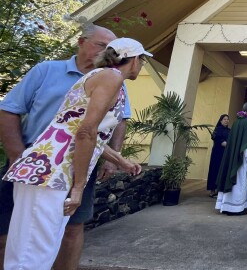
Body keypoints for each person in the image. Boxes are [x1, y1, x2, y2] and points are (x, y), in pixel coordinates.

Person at [2, 38, 146, 270]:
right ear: (135, 59)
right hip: (51, 172)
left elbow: (79, 130)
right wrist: (78, 188)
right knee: (31, 255)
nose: (142, 67)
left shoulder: (101, 76)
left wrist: (121, 160)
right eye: (143, 61)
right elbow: (85, 132)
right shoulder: (111, 78)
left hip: (49, 170)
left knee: (36, 250)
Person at [215, 102, 247, 215]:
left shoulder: (237, 121)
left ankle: (226, 205)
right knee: (240, 180)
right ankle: (235, 208)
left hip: (233, 156)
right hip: (241, 158)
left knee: (233, 178)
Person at [207, 114, 230, 197]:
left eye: (227, 119)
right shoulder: (217, 129)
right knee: (214, 169)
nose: (226, 120)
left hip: (225, 153)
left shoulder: (229, 130)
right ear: (220, 120)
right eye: (224, 119)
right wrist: (223, 142)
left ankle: (219, 189)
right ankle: (212, 190)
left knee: (223, 170)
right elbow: (215, 138)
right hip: (217, 152)